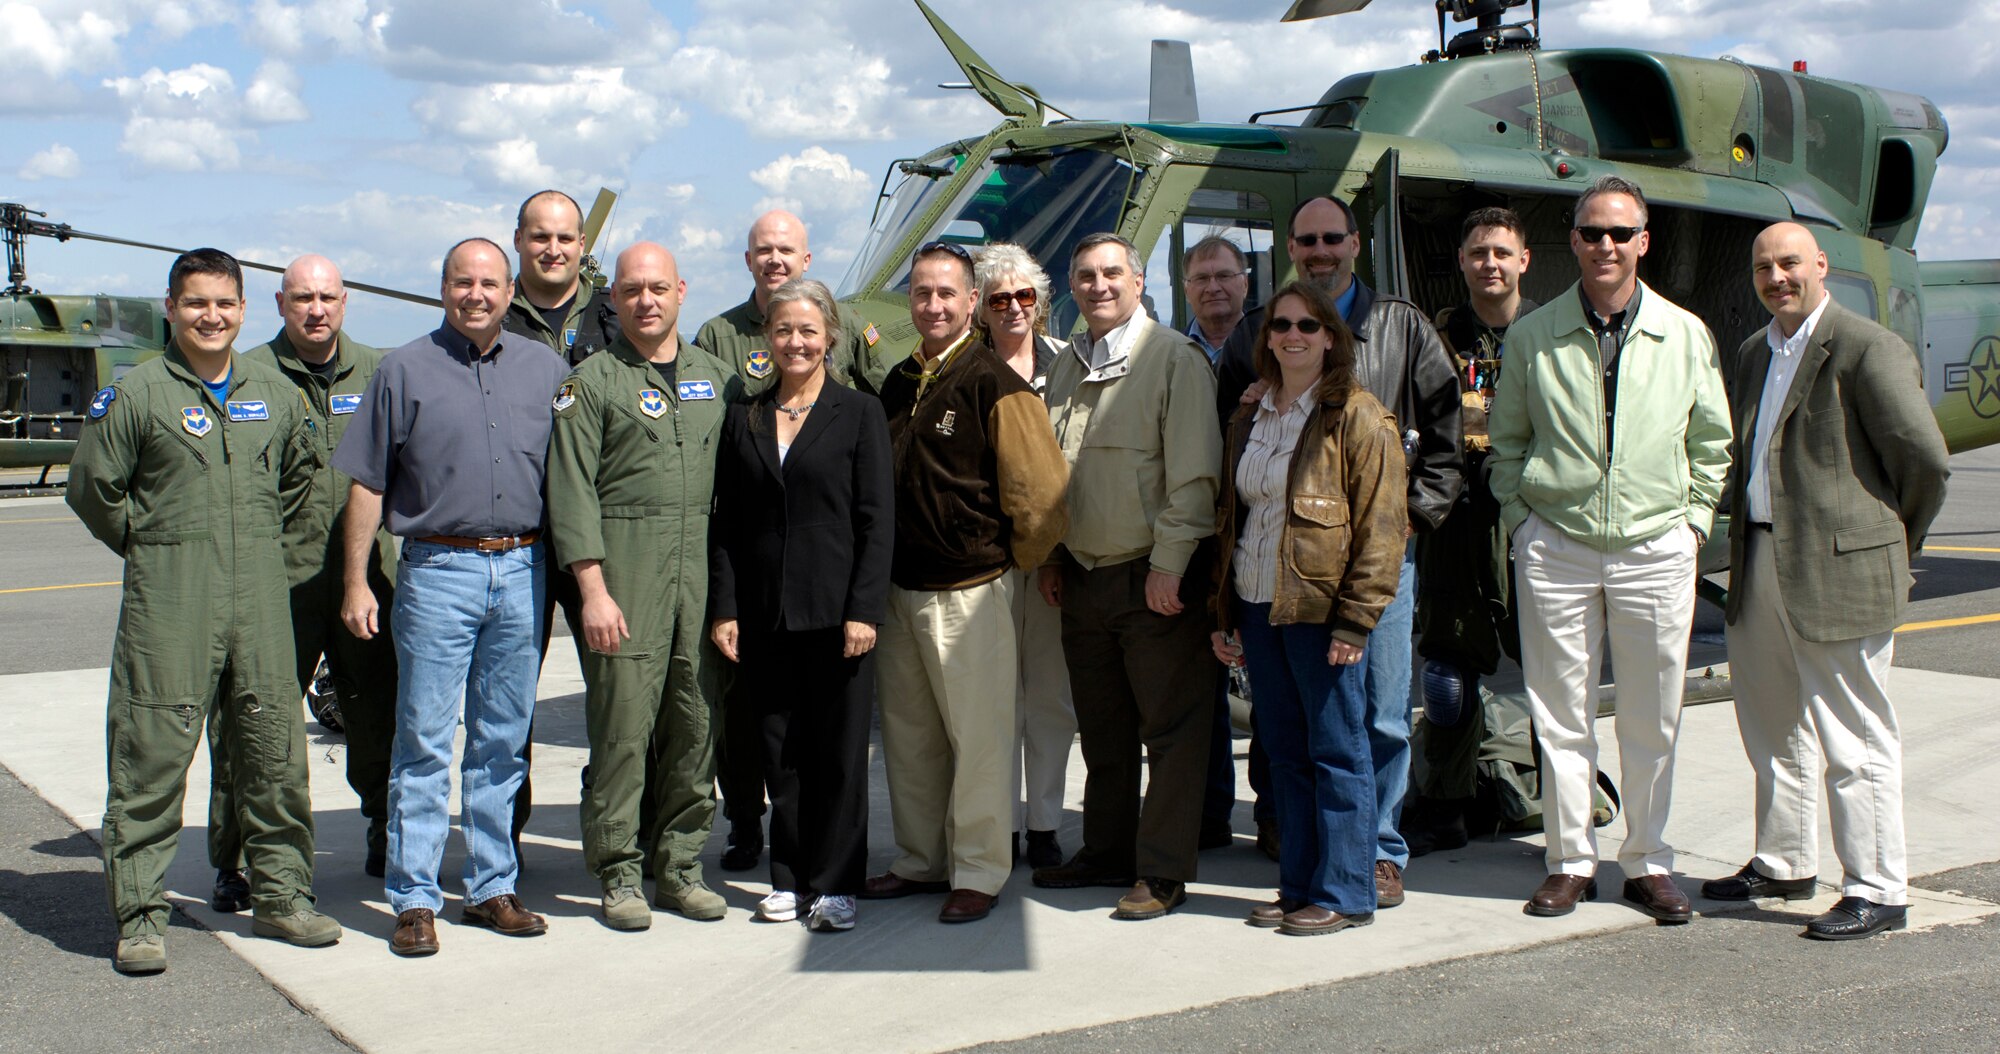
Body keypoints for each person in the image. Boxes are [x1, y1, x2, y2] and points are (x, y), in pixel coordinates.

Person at [68, 248, 341, 974]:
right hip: (171, 598)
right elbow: (94, 487)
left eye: (224, 303)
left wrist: (266, 559)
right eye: (195, 303)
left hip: (259, 596)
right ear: (171, 308)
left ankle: (283, 898)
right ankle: (140, 916)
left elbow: (303, 483)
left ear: (245, 310)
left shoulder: (273, 392)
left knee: (275, 755)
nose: (211, 316)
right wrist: (156, 546)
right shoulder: (138, 394)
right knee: (151, 754)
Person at [1487, 175, 1731, 923]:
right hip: (1556, 546)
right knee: (1560, 714)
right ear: (1573, 241)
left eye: (1620, 233)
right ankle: (1570, 861)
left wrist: (1691, 524)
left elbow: (1712, 442)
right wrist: (1525, 520)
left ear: (1643, 243)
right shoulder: (1533, 335)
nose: (1605, 246)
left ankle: (1649, 861)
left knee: (1653, 714)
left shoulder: (1685, 333)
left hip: (1655, 544)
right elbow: (1507, 442)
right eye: (1592, 232)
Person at [1699, 222, 1949, 940]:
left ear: (1821, 266)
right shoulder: (1755, 352)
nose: (1777, 277)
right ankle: (1785, 861)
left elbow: (1922, 459)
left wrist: (1887, 542)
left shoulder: (1867, 347)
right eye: (1763, 267)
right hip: (1761, 563)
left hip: (1837, 571)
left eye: (1789, 264)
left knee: (1855, 738)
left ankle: (1878, 886)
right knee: (1772, 727)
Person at [1214, 195, 1462, 908]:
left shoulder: (1400, 330)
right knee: (1293, 730)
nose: (1319, 251)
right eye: (1305, 240)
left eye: (1331, 238)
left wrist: (1409, 520)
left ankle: (1374, 858)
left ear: (1355, 243)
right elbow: (1230, 450)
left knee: (1375, 718)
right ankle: (1311, 862)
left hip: (1371, 567)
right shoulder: (1256, 358)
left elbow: (1446, 437)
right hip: (1279, 581)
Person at [334, 238, 570, 956]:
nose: (477, 294)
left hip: (524, 570)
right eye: (463, 282)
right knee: (425, 741)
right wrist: (354, 580)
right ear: (443, 289)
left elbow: (577, 476)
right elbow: (368, 482)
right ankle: (413, 898)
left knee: (502, 741)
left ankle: (492, 886)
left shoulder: (548, 370)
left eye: (490, 283)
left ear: (509, 291)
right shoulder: (402, 370)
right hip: (439, 571)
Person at [864, 242, 1069, 924]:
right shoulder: (898, 381)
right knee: (911, 735)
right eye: (922, 293)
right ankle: (921, 859)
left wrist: (1009, 562)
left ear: (971, 302)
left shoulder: (995, 384)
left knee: (980, 737)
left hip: (971, 589)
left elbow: (1040, 495)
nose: (933, 305)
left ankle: (980, 868)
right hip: (902, 590)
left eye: (947, 293)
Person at [547, 243, 738, 930]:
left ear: (682, 291)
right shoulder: (591, 383)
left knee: (695, 723)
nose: (646, 301)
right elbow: (570, 494)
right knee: (623, 729)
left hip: (701, 572)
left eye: (658, 288)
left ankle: (680, 864)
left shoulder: (719, 380)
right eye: (631, 291)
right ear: (614, 300)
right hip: (625, 568)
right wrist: (593, 592)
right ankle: (619, 871)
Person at [1032, 233, 1221, 921]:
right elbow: (1055, 474)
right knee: (1103, 729)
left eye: (1112, 273)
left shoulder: (1172, 358)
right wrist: (1054, 556)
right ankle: (1107, 851)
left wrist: (1170, 566)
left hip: (1150, 578)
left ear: (1139, 282)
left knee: (1170, 731)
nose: (1098, 285)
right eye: (1084, 275)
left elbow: (1195, 474)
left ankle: (1164, 872)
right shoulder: (1066, 365)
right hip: (1082, 575)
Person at [1210, 279, 1407, 935]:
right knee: (1285, 753)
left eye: (1307, 326)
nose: (1292, 335)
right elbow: (1235, 518)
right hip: (1258, 604)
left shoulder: (1358, 416)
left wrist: (1356, 622)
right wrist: (1225, 614)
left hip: (1320, 611)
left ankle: (1348, 892)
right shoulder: (1252, 413)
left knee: (1338, 749)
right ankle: (1298, 886)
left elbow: (1383, 533)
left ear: (1332, 338)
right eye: (1280, 325)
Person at [208, 255, 400, 915]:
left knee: (380, 715)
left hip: (366, 581)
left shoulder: (379, 372)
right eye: (301, 298)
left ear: (345, 301)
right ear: (280, 303)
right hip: (274, 585)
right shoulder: (248, 375)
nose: (315, 309)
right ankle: (237, 859)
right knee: (251, 725)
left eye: (326, 297)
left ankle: (386, 831)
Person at [694, 208, 884, 873]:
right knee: (772, 741)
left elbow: (874, 512)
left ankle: (834, 878)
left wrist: (866, 606)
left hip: (835, 595)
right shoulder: (734, 382)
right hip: (766, 597)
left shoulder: (857, 398)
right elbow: (726, 510)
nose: (795, 341)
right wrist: (727, 603)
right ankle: (774, 854)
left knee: (834, 746)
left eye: (808, 331)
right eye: (783, 331)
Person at [1407, 207, 1538, 856]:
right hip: (1456, 526)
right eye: (1478, 252)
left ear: (1523, 261)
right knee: (1448, 680)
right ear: (1462, 261)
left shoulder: (1553, 334)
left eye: (1502, 252)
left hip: (1536, 524)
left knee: (1557, 677)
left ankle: (1565, 805)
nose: (1490, 263)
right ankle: (1445, 806)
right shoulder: (1435, 338)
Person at [975, 242, 1078, 871]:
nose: (1013, 307)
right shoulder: (967, 369)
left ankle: (1044, 822)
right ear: (980, 309)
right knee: (991, 701)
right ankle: (997, 826)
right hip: (986, 561)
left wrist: (1060, 555)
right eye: (998, 298)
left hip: (1051, 561)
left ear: (1040, 302)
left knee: (1049, 699)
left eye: (1024, 296)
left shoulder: (1068, 366)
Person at [503, 189, 618, 366]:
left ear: (581, 245)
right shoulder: (494, 315)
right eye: (541, 237)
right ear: (518, 240)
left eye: (565, 239)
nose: (554, 251)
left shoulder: (618, 314)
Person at [1182, 235, 1250, 364]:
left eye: (1224, 276)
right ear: (1186, 291)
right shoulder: (1169, 351)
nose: (1213, 288)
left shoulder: (1272, 346)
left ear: (1245, 284)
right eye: (1201, 278)